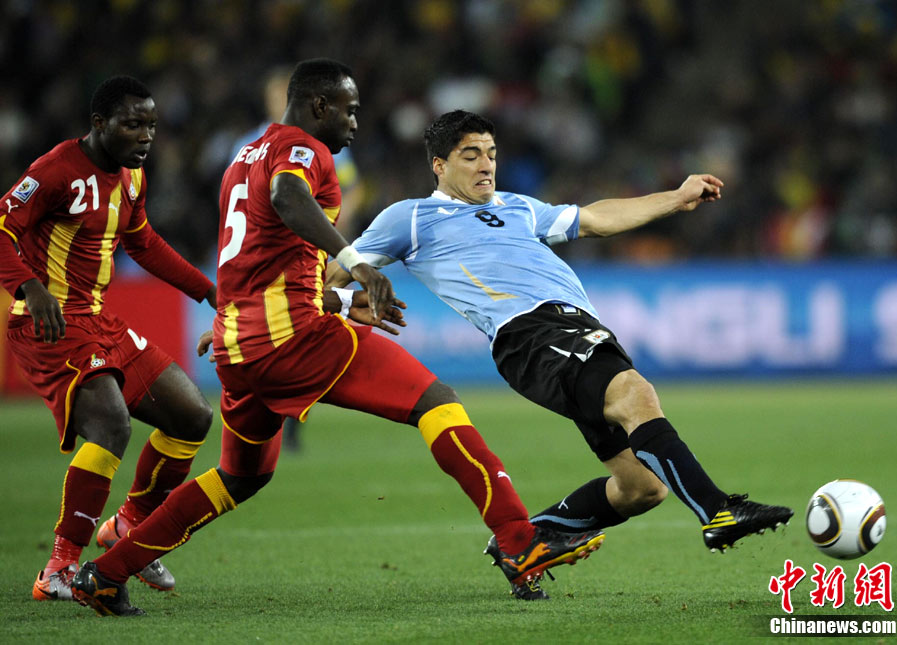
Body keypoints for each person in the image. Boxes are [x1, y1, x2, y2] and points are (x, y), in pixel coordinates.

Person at [70, 60, 604, 617]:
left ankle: (105, 573)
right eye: (348, 110)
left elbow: (261, 260)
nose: (354, 122)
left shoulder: (243, 157)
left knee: (239, 477)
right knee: (437, 404)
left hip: (240, 345)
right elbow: (287, 197)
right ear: (319, 106)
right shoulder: (304, 150)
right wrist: (357, 264)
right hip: (295, 340)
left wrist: (338, 302)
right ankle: (519, 539)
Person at [327, 110, 795, 599]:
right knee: (635, 394)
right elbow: (334, 272)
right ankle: (718, 512)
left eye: (491, 154)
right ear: (439, 165)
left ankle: (521, 541)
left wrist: (676, 198)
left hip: (577, 329)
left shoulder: (517, 206)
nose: (486, 165)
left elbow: (594, 219)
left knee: (641, 489)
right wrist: (338, 301)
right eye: (471, 156)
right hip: (529, 332)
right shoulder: (410, 217)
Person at [0, 76, 216, 602]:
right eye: (133, 124)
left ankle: (127, 526)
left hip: (98, 320)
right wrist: (29, 286)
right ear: (99, 124)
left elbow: (143, 243)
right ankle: (59, 567)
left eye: (151, 126)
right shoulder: (55, 170)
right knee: (112, 425)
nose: (145, 137)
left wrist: (208, 290)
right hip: (47, 322)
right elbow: (1, 229)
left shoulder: (132, 176)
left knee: (192, 416)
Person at [228, 66, 366, 453]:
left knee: (302, 326)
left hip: (308, 251)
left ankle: (286, 419)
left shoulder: (262, 145)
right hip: (267, 258)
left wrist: (335, 224)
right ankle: (275, 413)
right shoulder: (262, 143)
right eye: (274, 97)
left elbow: (354, 189)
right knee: (289, 329)